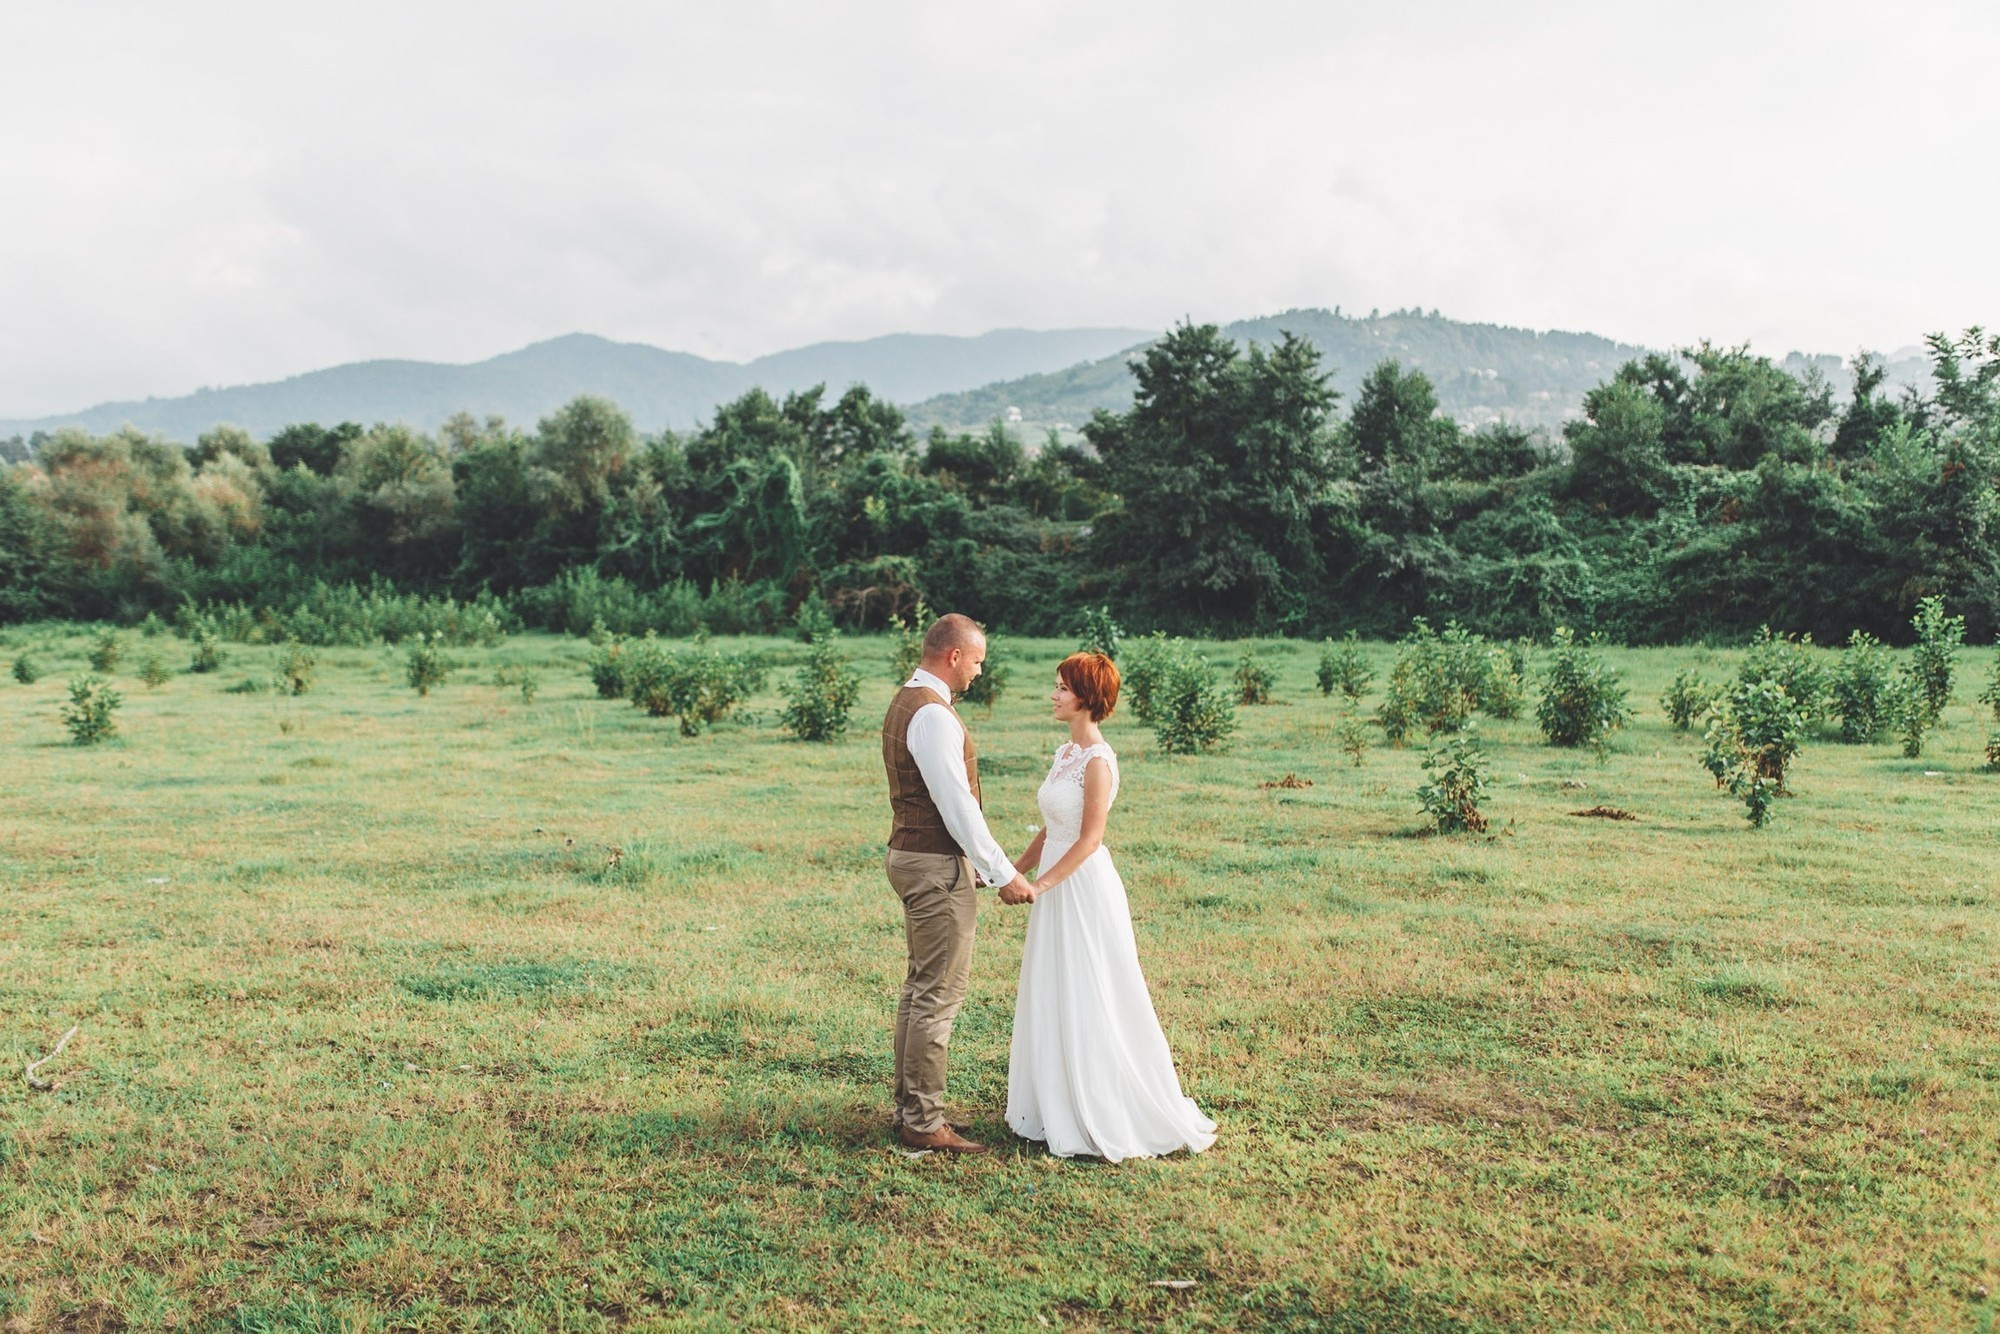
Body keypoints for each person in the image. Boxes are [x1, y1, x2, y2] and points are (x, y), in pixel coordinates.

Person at [1005, 651, 1216, 1161]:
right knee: (1053, 985)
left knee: (1092, 986)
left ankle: (1103, 1104)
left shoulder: (1098, 760)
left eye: (1062, 687)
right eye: (1055, 685)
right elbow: (1053, 830)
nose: (1053, 695)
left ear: (1087, 698)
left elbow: (1090, 839)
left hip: (1081, 886)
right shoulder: (1063, 754)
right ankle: (1053, 1101)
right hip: (1055, 883)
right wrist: (1014, 869)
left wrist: (1042, 885)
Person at [881, 613, 1035, 1155]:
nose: (977, 672)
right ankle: (923, 1123)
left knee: (920, 988)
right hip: (933, 865)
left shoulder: (910, 699)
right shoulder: (934, 716)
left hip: (912, 855)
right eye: (976, 661)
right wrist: (1003, 872)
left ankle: (909, 1108)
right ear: (953, 656)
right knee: (937, 996)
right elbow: (957, 807)